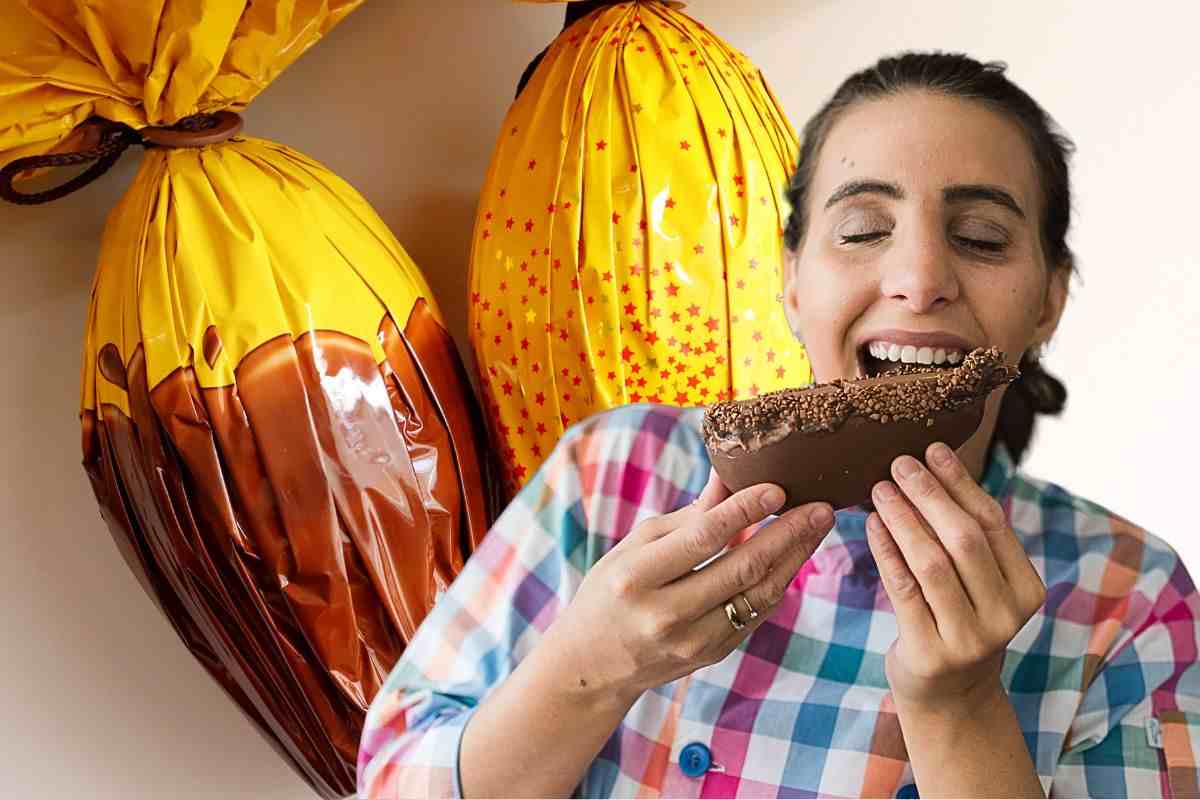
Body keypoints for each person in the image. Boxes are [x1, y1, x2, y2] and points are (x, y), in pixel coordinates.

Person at [356, 52, 1200, 799]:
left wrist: (962, 710)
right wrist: (591, 670)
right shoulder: (615, 471)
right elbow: (391, 780)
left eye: (980, 238)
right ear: (793, 284)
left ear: (1049, 299)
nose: (918, 277)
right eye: (863, 230)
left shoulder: (1134, 600)